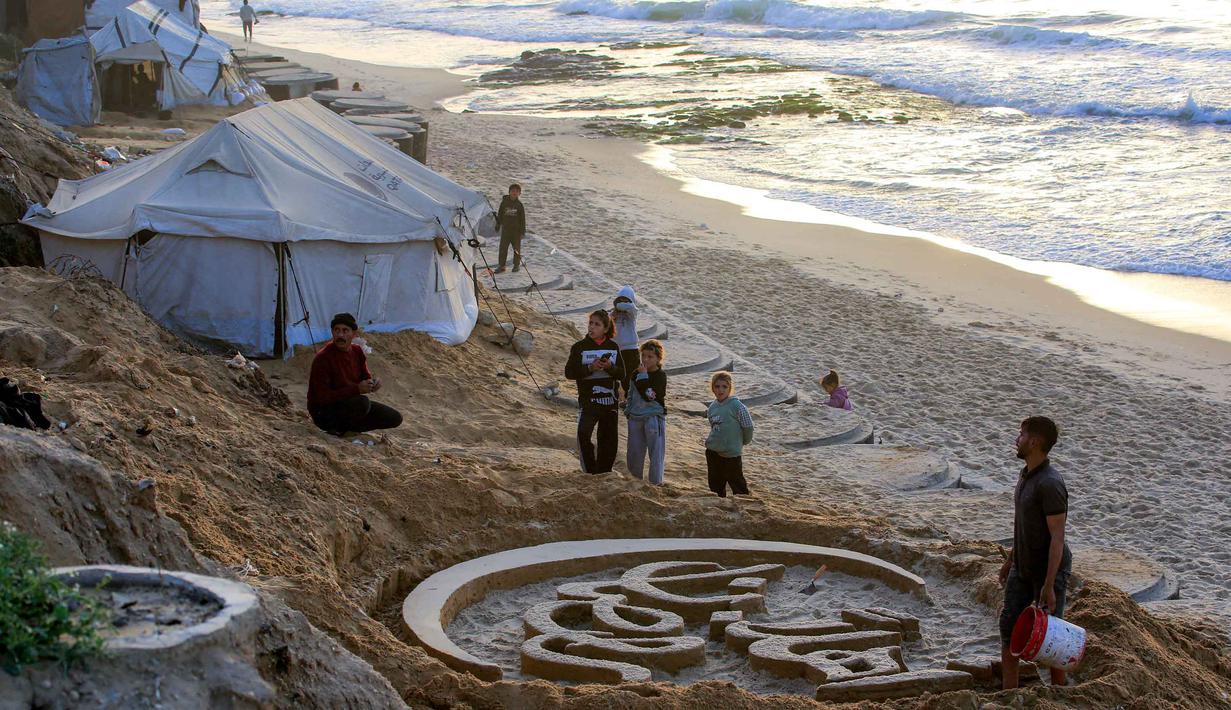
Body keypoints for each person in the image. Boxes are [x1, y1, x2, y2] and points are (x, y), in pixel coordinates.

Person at [999, 416, 1071, 690]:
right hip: (1022, 566)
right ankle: (1009, 692)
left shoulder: (1050, 484)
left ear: (1035, 441)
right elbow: (1023, 526)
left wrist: (1049, 585)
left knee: (1054, 633)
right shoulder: (1026, 475)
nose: (1017, 440)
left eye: (1021, 435)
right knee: (1008, 626)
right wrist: (1010, 561)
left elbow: (1057, 538)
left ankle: (1059, 692)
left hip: (1049, 570)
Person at [307, 313, 403, 436]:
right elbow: (322, 397)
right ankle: (339, 429)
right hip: (324, 412)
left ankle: (348, 428)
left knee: (395, 418)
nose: (340, 335)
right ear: (332, 332)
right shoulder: (323, 358)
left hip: (349, 404)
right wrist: (356, 389)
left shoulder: (357, 351)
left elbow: (365, 377)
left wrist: (373, 383)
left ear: (354, 333)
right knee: (362, 403)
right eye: (337, 330)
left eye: (345, 331)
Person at [564, 310, 625, 474]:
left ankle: (604, 471)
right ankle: (589, 471)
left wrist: (610, 367)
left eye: (597, 324)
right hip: (588, 400)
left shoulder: (613, 347)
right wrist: (590, 368)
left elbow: (622, 374)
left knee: (609, 439)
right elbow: (569, 373)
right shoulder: (579, 347)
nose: (592, 327)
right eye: (590, 323)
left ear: (605, 329)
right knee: (583, 434)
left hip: (609, 401)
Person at [704, 371, 754, 497]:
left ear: (730, 388)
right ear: (713, 389)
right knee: (715, 484)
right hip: (713, 451)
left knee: (737, 483)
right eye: (717, 386)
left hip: (731, 453)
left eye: (724, 387)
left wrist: (743, 442)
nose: (720, 390)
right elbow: (714, 426)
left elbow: (748, 426)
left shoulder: (736, 405)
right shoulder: (712, 407)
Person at [626, 340, 667, 485]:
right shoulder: (636, 373)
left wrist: (643, 376)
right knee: (634, 452)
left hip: (653, 417)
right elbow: (630, 392)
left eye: (650, 357)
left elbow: (650, 396)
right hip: (635, 417)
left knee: (656, 452)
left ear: (658, 359)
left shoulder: (660, 376)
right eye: (643, 355)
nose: (645, 359)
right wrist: (628, 409)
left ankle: (656, 483)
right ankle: (635, 480)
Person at [611, 286, 640, 394]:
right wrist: (614, 314)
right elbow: (607, 322)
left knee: (631, 377)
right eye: (621, 299)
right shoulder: (613, 313)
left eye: (626, 300)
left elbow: (631, 307)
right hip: (618, 349)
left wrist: (619, 305)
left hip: (631, 350)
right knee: (621, 377)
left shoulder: (632, 313)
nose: (623, 303)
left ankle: (632, 400)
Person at [493, 183, 526, 273]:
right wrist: (498, 224)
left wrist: (523, 231)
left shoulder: (519, 205)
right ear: (509, 192)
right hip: (506, 230)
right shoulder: (504, 203)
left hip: (516, 231)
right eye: (512, 191)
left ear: (519, 193)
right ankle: (502, 266)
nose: (514, 193)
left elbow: (522, 219)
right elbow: (499, 214)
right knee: (503, 248)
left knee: (516, 249)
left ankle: (516, 265)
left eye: (516, 191)